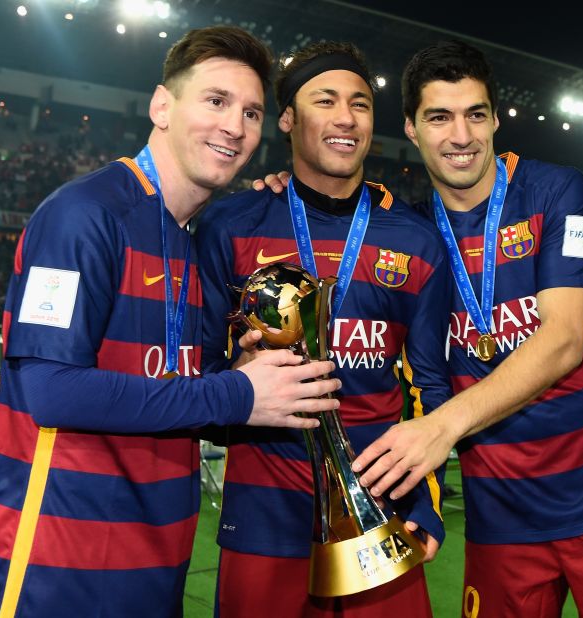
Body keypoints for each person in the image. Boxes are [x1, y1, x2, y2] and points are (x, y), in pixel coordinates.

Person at [0, 26, 342, 618]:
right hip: (50, 567)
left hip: (153, 569)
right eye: (216, 101)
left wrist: (251, 381)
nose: (235, 125)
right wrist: (235, 392)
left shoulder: (196, 246)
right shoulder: (83, 216)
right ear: (161, 106)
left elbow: (187, 396)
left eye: (252, 112)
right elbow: (50, 392)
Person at [347, 40, 583, 617]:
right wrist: (277, 191)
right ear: (411, 129)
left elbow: (562, 342)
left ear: (494, 119)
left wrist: (443, 427)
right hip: (501, 517)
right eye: (439, 117)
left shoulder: (556, 191)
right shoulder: (410, 235)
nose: (460, 136)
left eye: (475, 115)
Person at [196, 41, 453, 617]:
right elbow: (198, 377)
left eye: (360, 104)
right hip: (264, 514)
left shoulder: (415, 239)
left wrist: (426, 496)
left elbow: (429, 385)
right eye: (325, 100)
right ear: (288, 118)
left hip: (381, 508)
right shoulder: (230, 226)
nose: (346, 118)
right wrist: (235, 380)